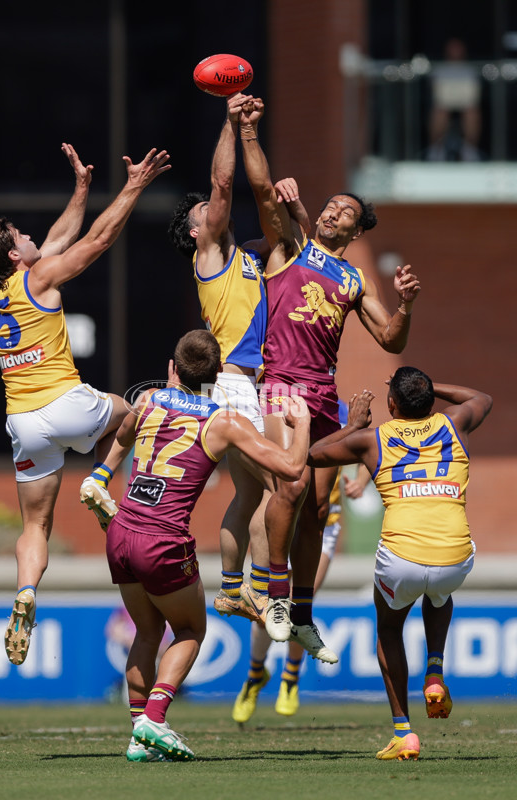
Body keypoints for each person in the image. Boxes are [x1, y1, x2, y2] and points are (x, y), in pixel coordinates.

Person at [0, 144, 171, 666]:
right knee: (137, 412)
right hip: (66, 401)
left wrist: (82, 188)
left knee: (34, 527)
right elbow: (97, 241)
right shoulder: (38, 277)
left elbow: (59, 238)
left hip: (24, 421)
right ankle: (101, 478)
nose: (34, 237)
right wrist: (133, 187)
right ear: (15, 255)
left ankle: (26, 592)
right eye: (23, 236)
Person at [236, 95, 421, 656]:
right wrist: (248, 131)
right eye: (331, 204)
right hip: (281, 386)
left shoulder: (352, 277)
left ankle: (302, 613)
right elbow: (264, 192)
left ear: (357, 225)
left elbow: (390, 338)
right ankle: (268, 596)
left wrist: (408, 304)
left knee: (317, 507)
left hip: (323, 394)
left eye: (346, 209)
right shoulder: (290, 248)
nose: (334, 209)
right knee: (289, 487)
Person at [107, 329, 309, 762]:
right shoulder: (224, 421)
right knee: (190, 630)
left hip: (120, 530)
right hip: (162, 540)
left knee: (146, 630)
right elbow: (291, 469)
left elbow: (121, 435)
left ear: (170, 369)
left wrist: (98, 477)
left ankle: (137, 736)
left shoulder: (147, 401)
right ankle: (155, 719)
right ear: (219, 376)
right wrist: (302, 423)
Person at [167, 93, 311, 627]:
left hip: (249, 386)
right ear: (194, 231)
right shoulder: (209, 257)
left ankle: (231, 589)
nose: (214, 208)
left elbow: (283, 235)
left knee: (251, 495)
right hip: (232, 386)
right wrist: (230, 123)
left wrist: (289, 203)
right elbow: (225, 185)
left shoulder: (244, 258)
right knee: (282, 486)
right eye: (205, 211)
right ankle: (271, 597)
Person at [307, 368, 493, 760]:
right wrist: (428, 386)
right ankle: (435, 672)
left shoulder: (371, 440)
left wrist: (353, 423)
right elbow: (482, 398)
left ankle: (404, 733)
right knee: (439, 593)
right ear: (430, 402)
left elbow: (312, 455)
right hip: (455, 556)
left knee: (389, 628)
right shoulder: (454, 423)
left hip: (401, 559)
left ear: (391, 404)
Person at [232, 403, 372, 723]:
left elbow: (369, 444)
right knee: (267, 610)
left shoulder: (338, 408)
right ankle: (255, 676)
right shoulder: (276, 409)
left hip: (323, 524)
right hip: (282, 519)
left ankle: (290, 679)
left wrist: (362, 479)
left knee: (299, 604)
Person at [426, 37, 482, 162]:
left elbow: (474, 91)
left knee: (472, 112)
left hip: (467, 102)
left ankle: (470, 149)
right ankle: (436, 149)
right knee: (439, 112)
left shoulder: (470, 69)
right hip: (443, 103)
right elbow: (434, 90)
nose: (455, 51)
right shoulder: (439, 69)